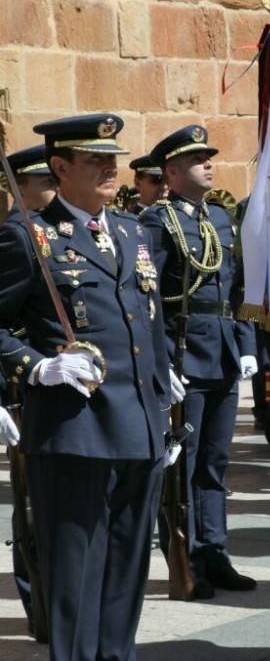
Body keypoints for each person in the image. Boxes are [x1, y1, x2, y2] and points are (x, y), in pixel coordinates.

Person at [0, 112, 177, 660]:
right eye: (94, 159)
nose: (110, 167)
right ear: (59, 167)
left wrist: (162, 374)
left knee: (127, 570)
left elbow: (145, 316)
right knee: (76, 574)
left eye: (113, 158)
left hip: (140, 425)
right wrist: (34, 366)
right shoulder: (29, 236)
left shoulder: (131, 229)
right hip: (76, 429)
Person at [142, 125, 258, 599]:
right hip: (183, 354)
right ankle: (185, 562)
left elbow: (237, 289)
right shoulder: (157, 222)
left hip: (224, 353)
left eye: (209, 157)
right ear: (171, 172)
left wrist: (246, 344)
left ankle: (215, 550)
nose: (209, 164)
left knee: (214, 462)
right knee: (181, 468)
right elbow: (148, 299)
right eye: (197, 160)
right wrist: (160, 361)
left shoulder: (221, 220)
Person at [1, 142, 56, 636]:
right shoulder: (17, 236)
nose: (49, 187)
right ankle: (38, 604)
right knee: (31, 506)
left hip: (55, 384)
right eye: (40, 180)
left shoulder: (58, 232)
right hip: (23, 385)